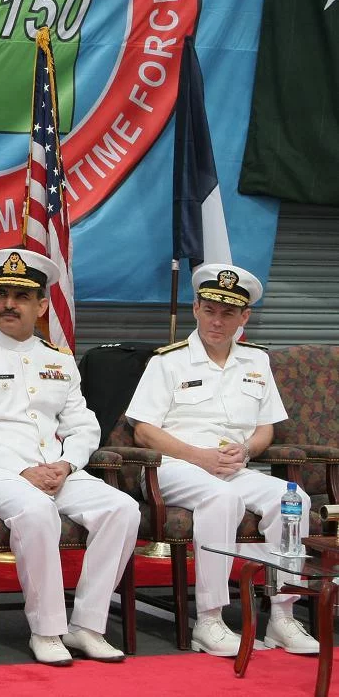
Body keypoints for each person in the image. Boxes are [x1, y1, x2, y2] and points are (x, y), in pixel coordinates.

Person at [0, 248, 140, 666]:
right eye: (1, 295)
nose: (8, 304)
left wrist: (66, 465)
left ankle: (87, 626)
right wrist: (22, 470)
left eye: (21, 296)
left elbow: (85, 425)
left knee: (122, 508)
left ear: (41, 305)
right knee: (34, 511)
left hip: (55, 471)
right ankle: (47, 630)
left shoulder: (59, 360)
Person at [126, 263, 318, 658]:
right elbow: (143, 430)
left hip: (233, 468)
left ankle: (282, 616)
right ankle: (210, 619)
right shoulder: (169, 360)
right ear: (195, 308)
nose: (217, 320)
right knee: (221, 498)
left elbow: (267, 428)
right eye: (210, 309)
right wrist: (199, 456)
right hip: (173, 468)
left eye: (228, 312)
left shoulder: (256, 361)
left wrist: (246, 450)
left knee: (292, 499)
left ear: (244, 317)